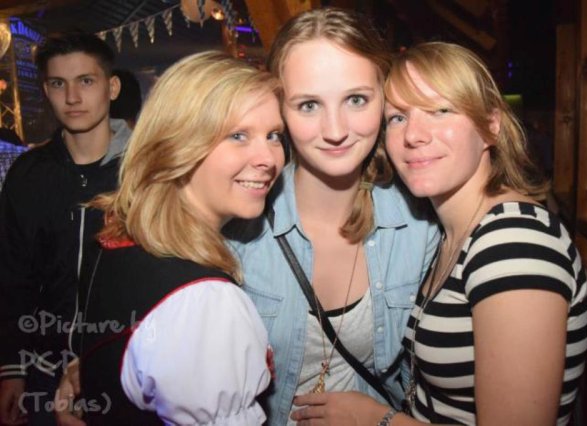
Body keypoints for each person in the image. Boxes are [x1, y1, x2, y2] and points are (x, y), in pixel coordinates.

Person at [291, 41, 587, 426]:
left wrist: (376, 419)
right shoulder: (450, 234)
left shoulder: (515, 242)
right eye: (398, 117)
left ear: (491, 125)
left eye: (440, 111)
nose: (414, 135)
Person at [224, 8, 440, 426]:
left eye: (356, 99)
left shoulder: (420, 226)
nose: (336, 129)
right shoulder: (238, 228)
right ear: (279, 110)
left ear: (384, 98)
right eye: (309, 105)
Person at [54, 51, 285, 425]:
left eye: (274, 135)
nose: (269, 158)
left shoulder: (120, 238)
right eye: (238, 135)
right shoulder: (203, 301)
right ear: (179, 144)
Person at [0, 31, 130, 426]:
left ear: (111, 87)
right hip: (43, 368)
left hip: (126, 368)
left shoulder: (144, 172)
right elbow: (11, 275)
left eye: (85, 81)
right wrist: (11, 368)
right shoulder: (28, 174)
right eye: (58, 83)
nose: (72, 97)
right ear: (46, 90)